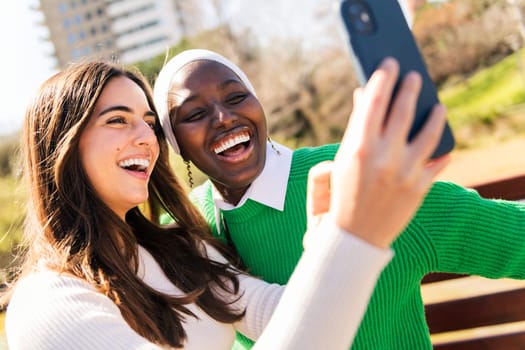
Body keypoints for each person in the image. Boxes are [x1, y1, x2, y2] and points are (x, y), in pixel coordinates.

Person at [2, 58, 446, 349]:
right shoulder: (48, 305)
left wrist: (330, 242)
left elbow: (287, 315)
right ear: (60, 146)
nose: (145, 137)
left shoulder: (179, 254)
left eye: (149, 123)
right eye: (117, 120)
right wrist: (349, 242)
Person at [153, 47, 525, 349]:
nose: (222, 117)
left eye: (236, 96)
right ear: (176, 144)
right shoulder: (185, 235)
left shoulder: (356, 176)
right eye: (195, 113)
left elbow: (512, 237)